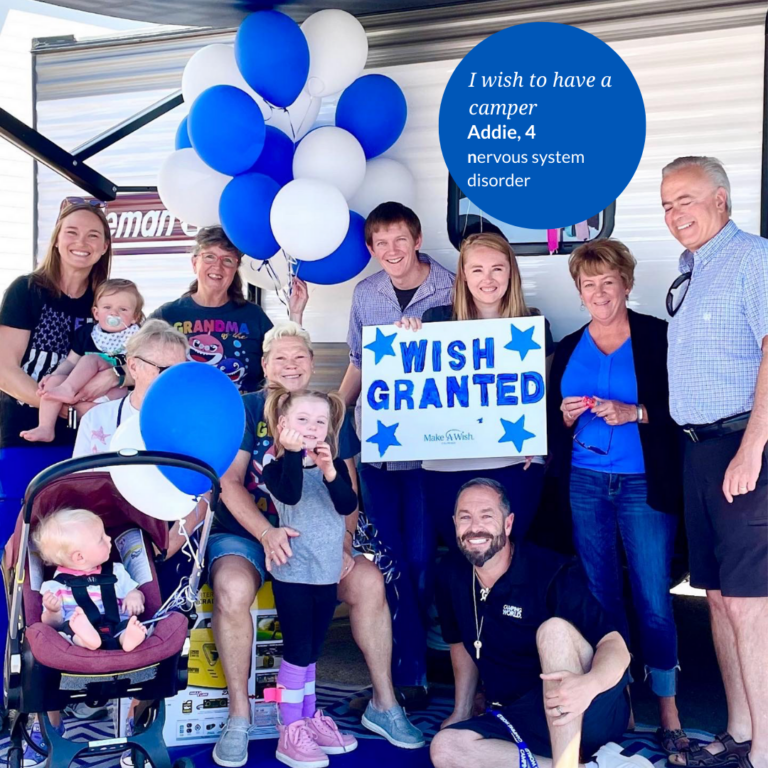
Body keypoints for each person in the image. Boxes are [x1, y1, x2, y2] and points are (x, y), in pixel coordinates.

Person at [212, 322, 424, 768]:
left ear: (312, 363)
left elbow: (346, 488)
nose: (291, 365)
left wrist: (345, 544)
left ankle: (383, 704)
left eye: (300, 357)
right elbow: (229, 483)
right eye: (280, 358)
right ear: (265, 364)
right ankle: (240, 715)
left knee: (368, 583)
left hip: (318, 537)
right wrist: (266, 534)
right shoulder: (246, 409)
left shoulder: (329, 411)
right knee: (232, 587)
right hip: (252, 530)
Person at [547, 238, 686, 752]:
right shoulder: (567, 346)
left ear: (626, 284)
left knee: (653, 599)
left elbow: (685, 408)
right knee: (601, 595)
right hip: (585, 482)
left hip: (642, 482)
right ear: (579, 292)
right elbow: (553, 424)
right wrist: (562, 418)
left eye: (609, 281)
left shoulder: (657, 338)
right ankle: (618, 701)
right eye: (589, 285)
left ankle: (669, 710)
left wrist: (636, 413)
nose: (600, 292)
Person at [661, 156, 768, 768]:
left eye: (687, 199)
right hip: (699, 450)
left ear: (721, 200)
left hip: (740, 446)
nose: (676, 213)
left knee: (751, 603)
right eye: (668, 203)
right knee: (721, 599)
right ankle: (739, 733)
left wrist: (752, 448)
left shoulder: (752, 259)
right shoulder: (692, 270)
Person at [431, 478, 649, 768]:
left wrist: (588, 685)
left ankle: (567, 761)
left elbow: (616, 646)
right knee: (445, 748)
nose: (475, 528)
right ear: (455, 523)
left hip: (584, 709)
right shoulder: (450, 573)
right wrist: (461, 710)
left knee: (554, 631)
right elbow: (459, 643)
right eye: (465, 517)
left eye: (486, 516)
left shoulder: (550, 570)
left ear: (508, 524)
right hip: (519, 714)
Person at [340, 201, 454, 700]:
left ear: (418, 237)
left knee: (423, 556)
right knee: (388, 557)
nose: (391, 250)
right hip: (381, 452)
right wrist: (336, 412)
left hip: (431, 453)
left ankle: (414, 653)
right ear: (371, 248)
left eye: (399, 239)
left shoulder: (451, 286)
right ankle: (408, 670)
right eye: (380, 243)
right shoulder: (366, 293)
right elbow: (358, 362)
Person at [413, 231, 554, 547]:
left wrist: (538, 437)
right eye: (477, 269)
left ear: (510, 273)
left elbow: (543, 397)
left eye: (497, 269)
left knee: (511, 553)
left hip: (514, 463)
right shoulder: (434, 323)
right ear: (463, 274)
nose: (487, 279)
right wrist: (407, 338)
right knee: (461, 556)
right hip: (445, 466)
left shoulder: (532, 324)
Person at [262, 387, 359, 765]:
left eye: (320, 422)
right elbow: (289, 494)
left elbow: (348, 503)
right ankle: (290, 729)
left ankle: (308, 717)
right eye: (303, 420)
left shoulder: (329, 464)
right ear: (283, 425)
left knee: (314, 652)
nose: (313, 427)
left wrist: (331, 470)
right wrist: (291, 453)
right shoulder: (275, 466)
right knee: (297, 651)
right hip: (295, 574)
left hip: (325, 573)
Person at [0, 200, 112, 525]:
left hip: (88, 444)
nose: (81, 243)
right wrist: (63, 408)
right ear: (57, 239)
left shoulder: (108, 302)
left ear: (105, 247)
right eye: (72, 232)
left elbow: (132, 362)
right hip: (24, 434)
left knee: (74, 538)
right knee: (15, 534)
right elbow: (5, 371)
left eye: (93, 236)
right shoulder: (27, 290)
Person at [152, 225, 306, 393]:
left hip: (245, 416)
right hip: (185, 414)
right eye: (209, 257)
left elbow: (286, 359)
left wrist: (296, 313)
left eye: (227, 260)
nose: (218, 267)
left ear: (235, 268)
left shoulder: (253, 316)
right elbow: (138, 362)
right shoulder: (167, 315)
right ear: (195, 263)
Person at [22, 279, 144, 443]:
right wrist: (53, 375)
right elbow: (71, 362)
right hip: (80, 389)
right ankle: (45, 427)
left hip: (114, 391)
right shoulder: (87, 333)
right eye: (107, 308)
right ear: (96, 313)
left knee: (92, 359)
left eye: (123, 309)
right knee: (54, 383)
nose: (114, 313)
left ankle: (71, 394)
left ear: (135, 317)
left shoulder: (139, 338)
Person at [35, 508, 148, 652]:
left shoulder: (116, 572)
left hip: (115, 623)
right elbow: (53, 624)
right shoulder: (55, 586)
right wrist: (53, 611)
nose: (109, 539)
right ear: (80, 557)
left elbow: (135, 591)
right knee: (66, 631)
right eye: (101, 538)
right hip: (78, 625)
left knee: (126, 625)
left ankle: (128, 638)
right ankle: (86, 639)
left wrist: (134, 597)